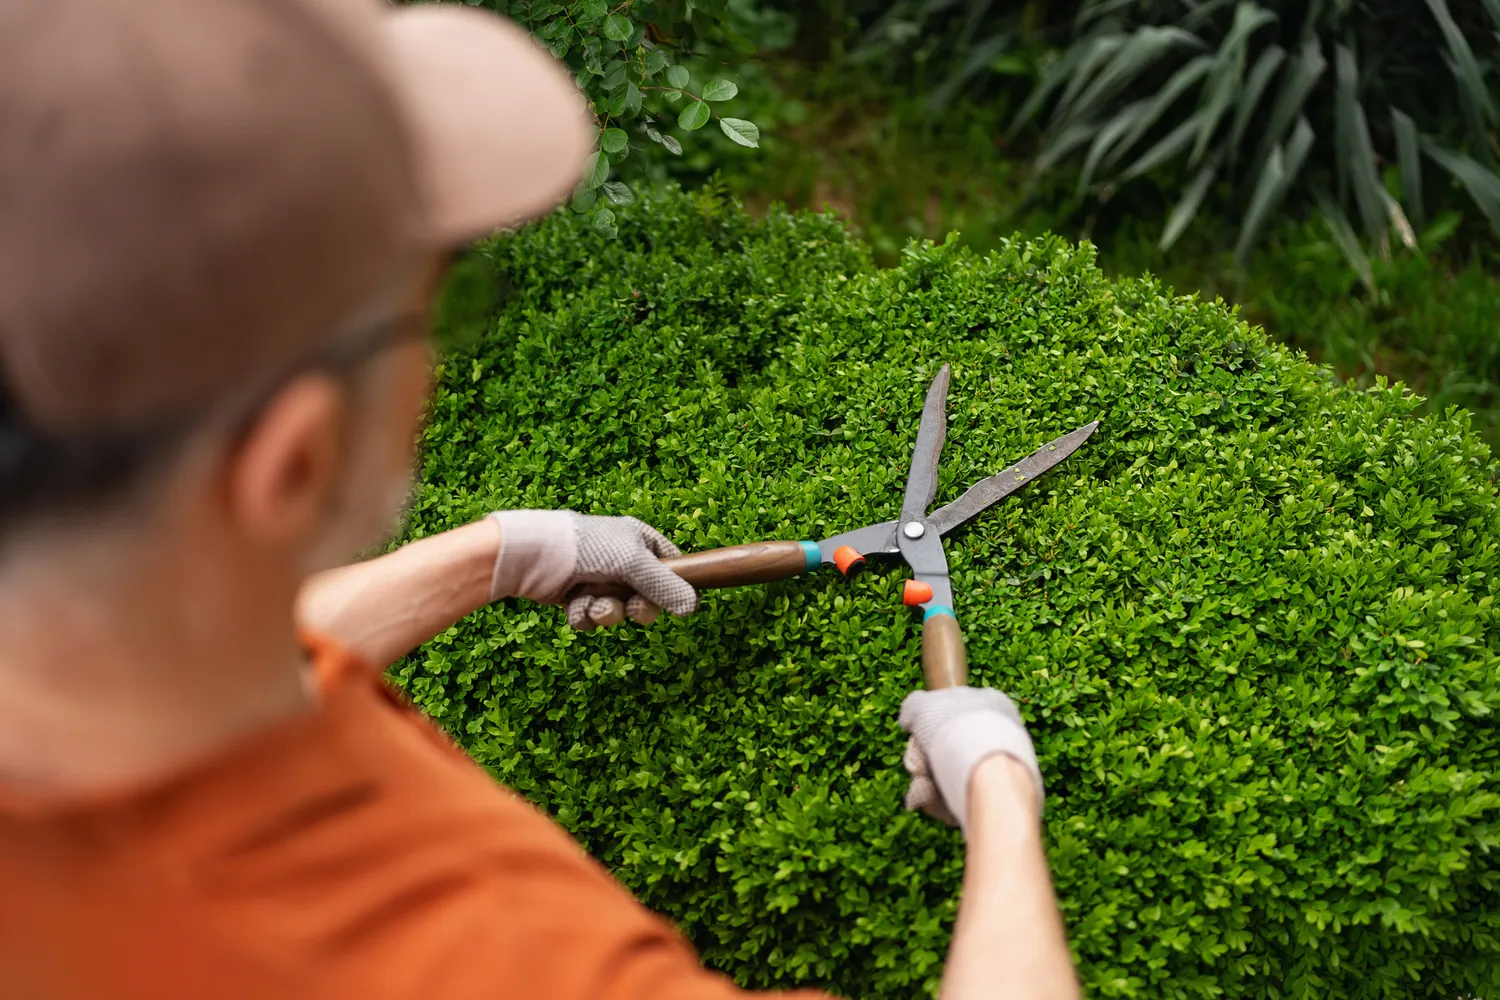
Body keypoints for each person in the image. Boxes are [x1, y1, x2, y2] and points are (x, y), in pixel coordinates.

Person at [0, 0, 1082, 997]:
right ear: (293, 459)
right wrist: (998, 792)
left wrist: (501, 552)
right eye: (433, 309)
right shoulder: (500, 957)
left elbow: (193, 641)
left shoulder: (103, 679)